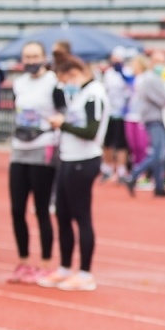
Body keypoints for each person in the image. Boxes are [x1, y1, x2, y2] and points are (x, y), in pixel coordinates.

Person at [39, 56, 106, 292]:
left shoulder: (94, 94)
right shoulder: (79, 94)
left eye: (64, 78)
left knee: (81, 217)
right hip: (68, 158)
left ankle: (85, 272)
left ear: (76, 72)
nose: (63, 83)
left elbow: (90, 130)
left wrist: (63, 124)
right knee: (63, 215)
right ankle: (66, 266)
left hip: (84, 160)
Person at [8, 41, 58, 285]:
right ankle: (23, 261)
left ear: (44, 56)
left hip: (42, 148)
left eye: (35, 55)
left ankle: (46, 262)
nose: (31, 60)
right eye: (27, 56)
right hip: (19, 149)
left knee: (40, 209)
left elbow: (62, 112)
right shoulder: (19, 84)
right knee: (17, 209)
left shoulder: (53, 82)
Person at [124, 54, 165, 197]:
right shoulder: (151, 79)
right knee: (158, 153)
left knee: (160, 154)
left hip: (154, 118)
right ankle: (134, 175)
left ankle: (159, 186)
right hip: (154, 118)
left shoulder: (151, 78)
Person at [102, 46, 134, 181]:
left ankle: (121, 170)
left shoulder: (128, 72)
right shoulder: (108, 73)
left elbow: (131, 89)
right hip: (109, 112)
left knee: (121, 143)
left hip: (122, 113)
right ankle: (107, 168)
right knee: (107, 141)